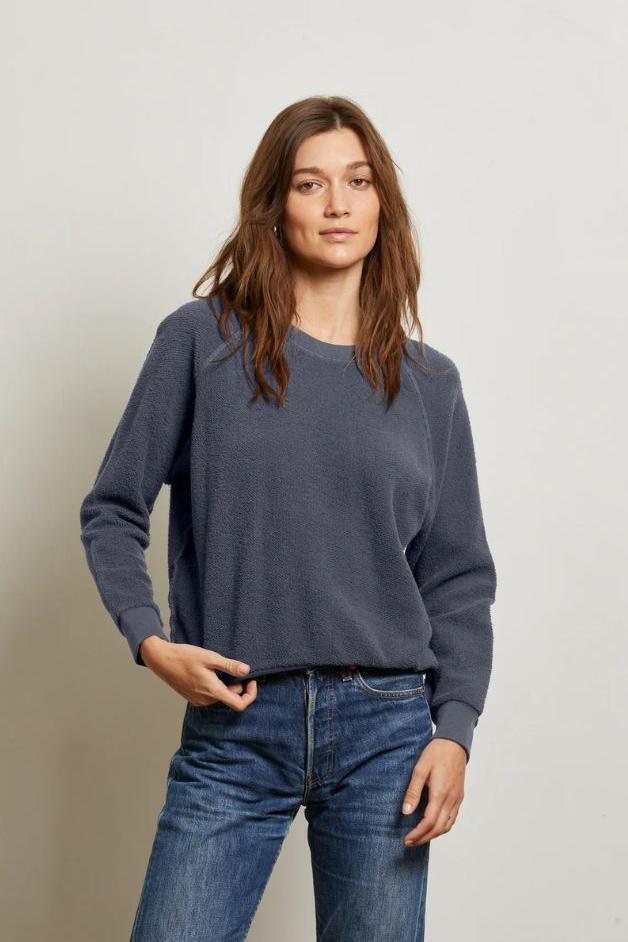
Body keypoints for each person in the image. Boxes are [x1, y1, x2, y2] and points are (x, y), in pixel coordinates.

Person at [79, 95, 497, 942]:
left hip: (387, 729)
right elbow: (113, 508)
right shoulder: (201, 343)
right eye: (311, 184)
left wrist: (454, 733)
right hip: (237, 720)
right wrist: (150, 641)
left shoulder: (430, 384)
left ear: (383, 205)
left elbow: (457, 577)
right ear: (275, 205)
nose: (338, 204)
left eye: (358, 182)